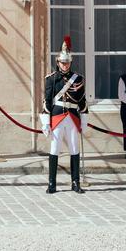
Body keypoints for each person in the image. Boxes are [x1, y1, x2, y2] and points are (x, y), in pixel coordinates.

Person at [39, 36, 88, 194]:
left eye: (67, 62)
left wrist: (84, 120)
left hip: (73, 116)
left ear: (70, 63)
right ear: (58, 62)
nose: (65, 65)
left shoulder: (78, 79)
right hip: (57, 116)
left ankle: (75, 183)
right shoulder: (51, 79)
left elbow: (82, 101)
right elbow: (46, 101)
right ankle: (52, 183)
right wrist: (45, 122)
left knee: (74, 148)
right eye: (62, 62)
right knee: (55, 148)